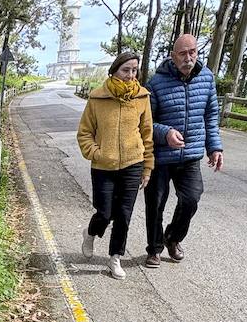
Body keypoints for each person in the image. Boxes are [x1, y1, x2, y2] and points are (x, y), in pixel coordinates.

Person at [143, 34, 224, 269]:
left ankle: (173, 237)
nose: (188, 58)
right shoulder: (156, 82)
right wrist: (165, 133)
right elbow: (147, 121)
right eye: (182, 53)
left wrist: (215, 147)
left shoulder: (207, 78)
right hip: (161, 156)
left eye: (193, 52)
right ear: (173, 56)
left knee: (191, 199)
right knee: (155, 204)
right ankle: (154, 248)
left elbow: (211, 115)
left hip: (191, 154)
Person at [75, 50, 156, 280]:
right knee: (105, 212)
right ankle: (90, 232)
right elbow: (84, 133)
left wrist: (147, 167)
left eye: (134, 70)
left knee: (124, 214)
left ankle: (115, 257)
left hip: (133, 164)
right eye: (126, 70)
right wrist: (96, 153)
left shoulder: (142, 97)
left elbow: (147, 134)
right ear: (114, 70)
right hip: (103, 166)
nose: (131, 75)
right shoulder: (97, 98)